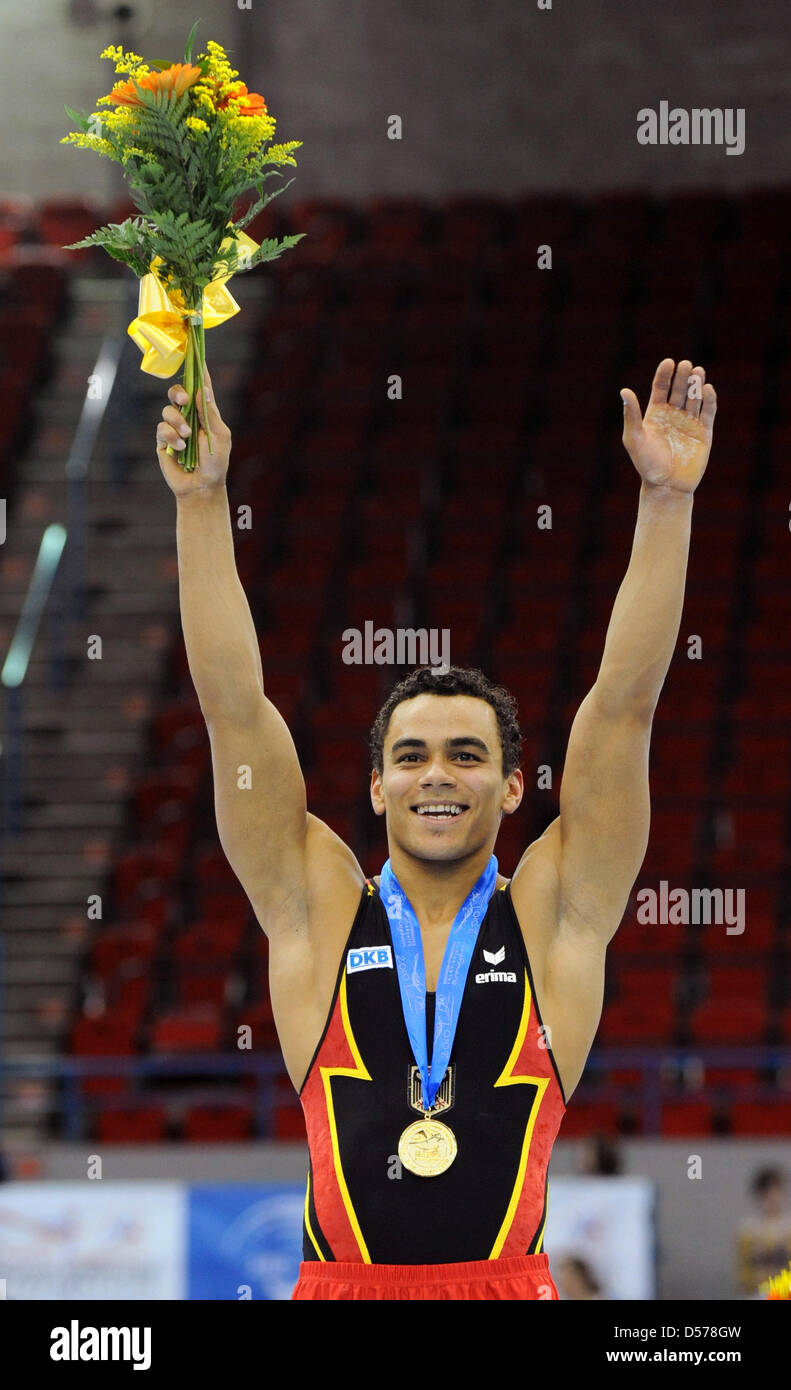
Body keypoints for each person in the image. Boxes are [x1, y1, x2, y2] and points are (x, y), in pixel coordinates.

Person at [156, 356, 717, 1300]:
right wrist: (202, 501)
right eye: (410, 756)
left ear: (508, 790)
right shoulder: (316, 909)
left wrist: (666, 502)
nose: (437, 776)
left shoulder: (557, 915)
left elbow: (623, 708)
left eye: (467, 754)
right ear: (374, 787)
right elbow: (231, 708)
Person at [736, 1167, 791, 1296]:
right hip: (756, 1293)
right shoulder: (748, 1230)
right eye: (766, 1193)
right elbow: (743, 1271)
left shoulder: (789, 1228)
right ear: (759, 1195)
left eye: (776, 1191)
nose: (772, 1198)